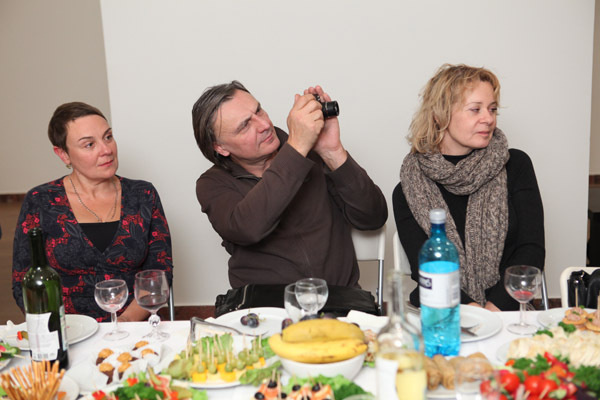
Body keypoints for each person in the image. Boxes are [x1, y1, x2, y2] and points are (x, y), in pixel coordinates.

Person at [192, 81, 387, 290]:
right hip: (264, 305)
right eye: (245, 126)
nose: (264, 124)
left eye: (259, 110)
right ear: (220, 147)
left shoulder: (312, 153)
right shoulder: (212, 184)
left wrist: (332, 151)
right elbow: (247, 228)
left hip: (339, 299)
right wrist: (297, 147)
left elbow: (372, 218)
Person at [393, 64, 545, 311]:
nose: (489, 118)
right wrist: (474, 314)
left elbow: (531, 250)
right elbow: (426, 268)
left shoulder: (516, 165)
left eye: (492, 109)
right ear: (440, 115)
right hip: (444, 313)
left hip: (509, 312)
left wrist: (493, 313)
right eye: (475, 109)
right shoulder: (408, 188)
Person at [12, 102, 173, 322]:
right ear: (63, 154)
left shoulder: (143, 195)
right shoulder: (40, 201)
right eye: (89, 144)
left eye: (108, 137)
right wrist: (59, 328)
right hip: (67, 329)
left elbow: (159, 273)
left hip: (135, 327)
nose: (106, 150)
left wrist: (123, 323)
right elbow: (23, 282)